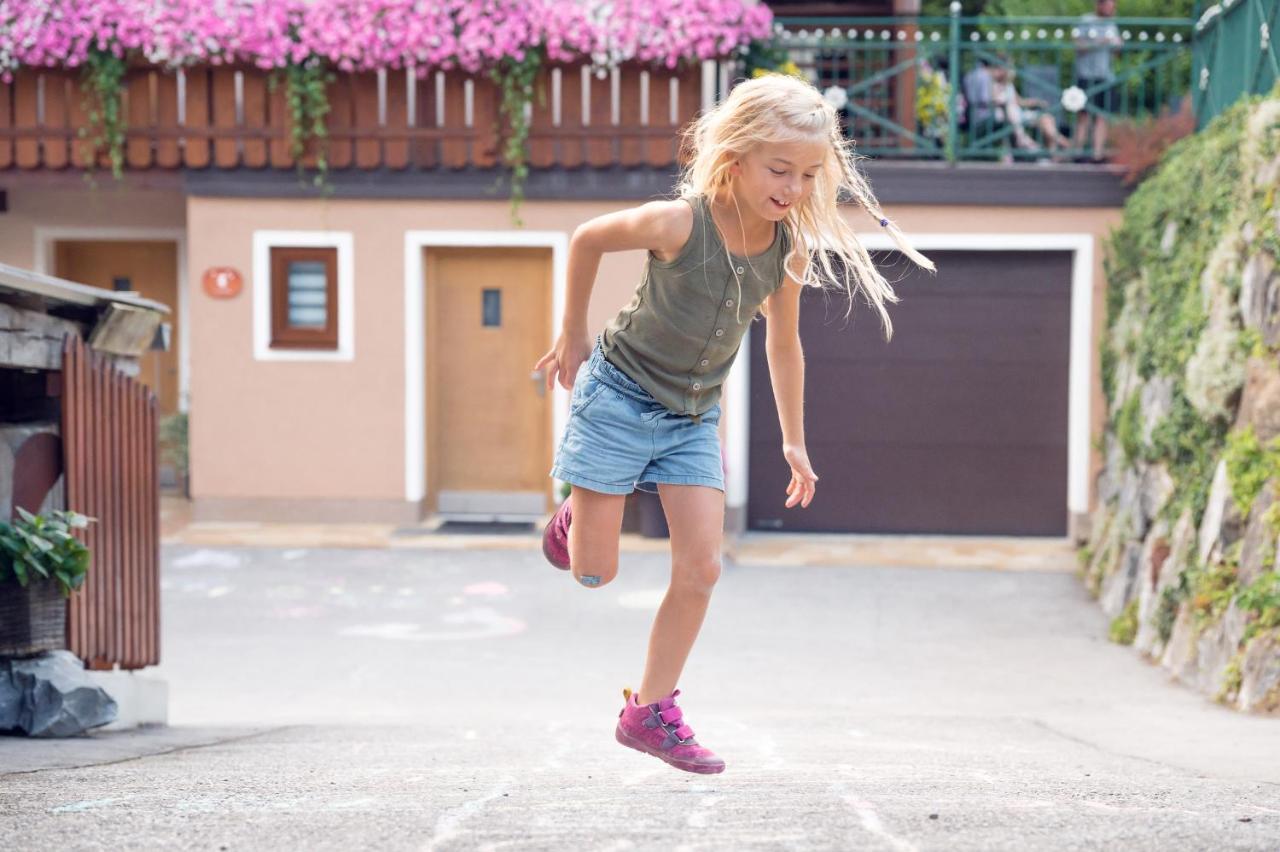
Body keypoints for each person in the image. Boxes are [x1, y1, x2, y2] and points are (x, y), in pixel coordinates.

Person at [532, 73, 935, 775]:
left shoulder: (788, 250)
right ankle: (576, 516)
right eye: (781, 170)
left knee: (702, 567)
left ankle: (648, 713)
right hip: (619, 398)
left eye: (810, 175)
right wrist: (571, 333)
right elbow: (588, 237)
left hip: (691, 416)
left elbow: (784, 345)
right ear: (737, 157)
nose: (795, 187)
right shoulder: (678, 222)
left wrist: (793, 441)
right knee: (593, 575)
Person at [1072, 0, 1123, 162]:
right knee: (1083, 116)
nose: (1111, 8)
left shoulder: (1112, 25)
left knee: (1102, 116)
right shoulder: (1085, 21)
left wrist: (1118, 46)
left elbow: (1116, 54)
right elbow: (1078, 46)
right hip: (1086, 75)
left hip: (1105, 76)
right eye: (1108, 5)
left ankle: (1097, 154)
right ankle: (1078, 153)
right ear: (1099, 5)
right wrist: (1100, 42)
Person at [990, 64, 1070, 160]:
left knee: (1046, 118)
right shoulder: (992, 85)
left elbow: (1020, 101)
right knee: (1013, 117)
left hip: (1019, 114)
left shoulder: (1009, 85)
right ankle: (1067, 145)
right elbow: (995, 101)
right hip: (1007, 116)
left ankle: (1053, 153)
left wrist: (1037, 101)